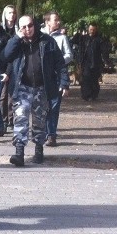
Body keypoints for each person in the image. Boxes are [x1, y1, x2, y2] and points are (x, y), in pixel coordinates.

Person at [3, 15, 69, 166]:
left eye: (30, 25)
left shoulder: (47, 41)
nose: (27, 29)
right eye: (23, 27)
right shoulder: (17, 42)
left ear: (35, 25)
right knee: (20, 117)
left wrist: (64, 83)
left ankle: (39, 150)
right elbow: (6, 55)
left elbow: (60, 63)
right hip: (22, 87)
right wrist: (16, 38)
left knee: (39, 121)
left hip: (42, 88)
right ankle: (19, 152)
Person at [42, 11, 73, 147]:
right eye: (55, 20)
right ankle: (41, 132)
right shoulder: (40, 36)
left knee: (54, 106)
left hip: (56, 76)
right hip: (41, 76)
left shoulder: (62, 38)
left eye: (59, 20)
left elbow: (69, 55)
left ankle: (51, 135)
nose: (58, 22)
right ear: (48, 22)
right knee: (42, 106)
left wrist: (58, 61)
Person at [0, 4, 18, 128]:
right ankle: (3, 120)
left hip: (16, 65)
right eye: (9, 13)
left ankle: (11, 120)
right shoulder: (0, 30)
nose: (11, 15)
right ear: (5, 15)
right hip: (2, 66)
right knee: (2, 95)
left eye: (13, 13)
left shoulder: (19, 29)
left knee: (13, 95)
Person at [78, 23, 105, 101]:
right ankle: (86, 95)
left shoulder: (99, 39)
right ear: (88, 29)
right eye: (90, 29)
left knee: (94, 79)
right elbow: (80, 50)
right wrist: (80, 61)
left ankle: (93, 94)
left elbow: (103, 51)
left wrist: (104, 62)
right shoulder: (83, 38)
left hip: (96, 62)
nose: (92, 31)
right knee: (86, 78)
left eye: (94, 30)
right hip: (86, 62)